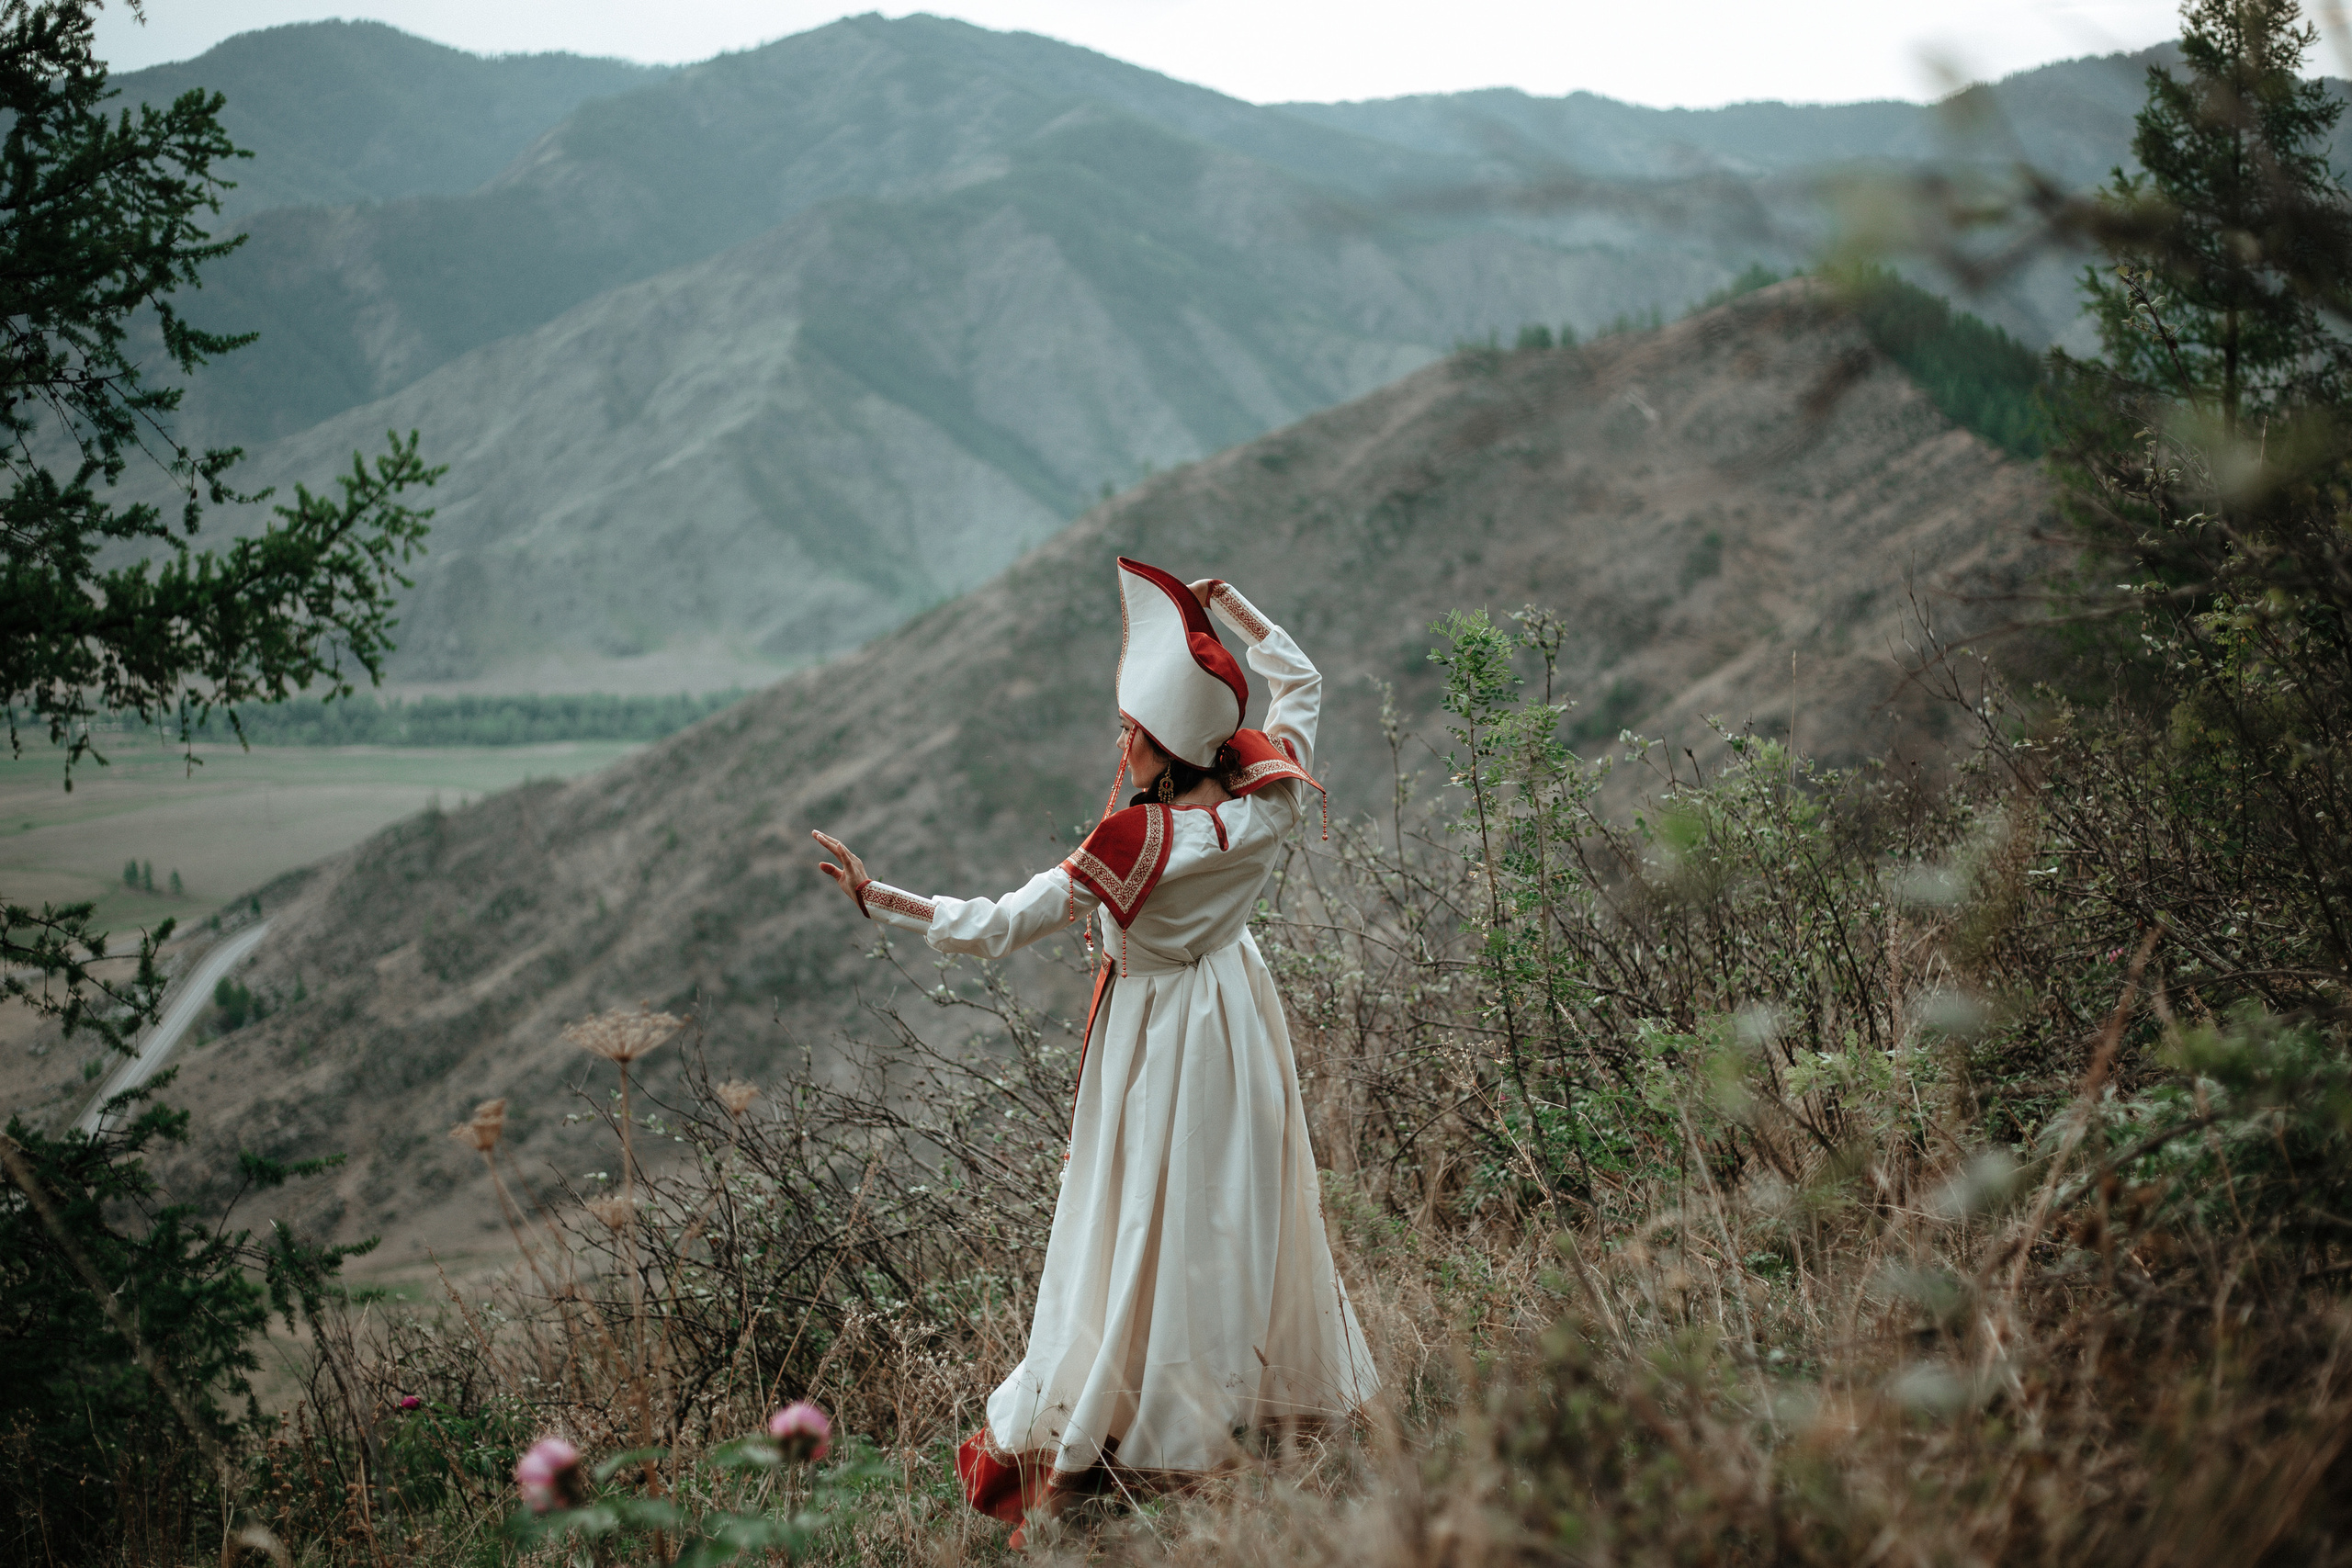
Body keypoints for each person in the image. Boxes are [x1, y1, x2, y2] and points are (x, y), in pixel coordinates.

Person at [811, 558, 1376, 1544]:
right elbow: (1302, 685)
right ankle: (1249, 1403)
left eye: (1133, 734)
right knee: (1235, 1208)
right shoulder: (1266, 806)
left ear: (1161, 750)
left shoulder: (1130, 843)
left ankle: (1137, 1429)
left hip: (1156, 1038)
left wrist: (881, 899)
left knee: (1135, 1219)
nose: (1122, 743)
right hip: (1238, 1015)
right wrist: (1229, 610)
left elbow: (996, 923)